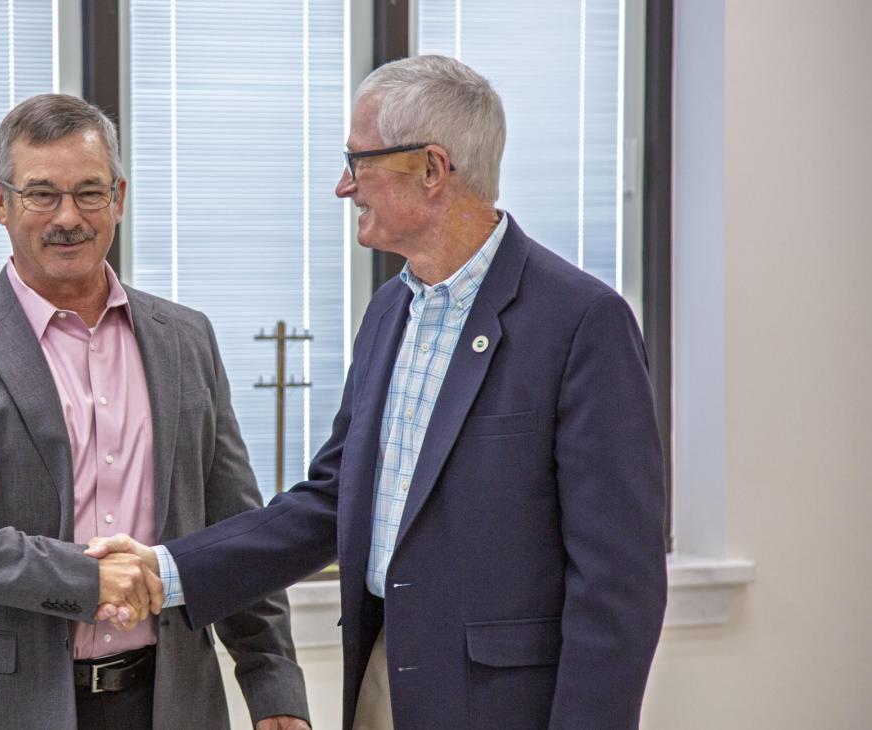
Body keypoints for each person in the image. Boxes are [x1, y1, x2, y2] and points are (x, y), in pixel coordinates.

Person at [88, 55, 668, 730]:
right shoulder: (391, 311)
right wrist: (171, 569)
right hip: (385, 678)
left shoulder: (579, 322)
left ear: (431, 168)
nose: (343, 186)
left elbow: (619, 584)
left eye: (359, 161)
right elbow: (334, 501)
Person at [0, 94, 309, 730]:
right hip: (8, 709)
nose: (68, 217)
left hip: (172, 701)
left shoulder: (187, 339)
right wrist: (81, 578)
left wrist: (275, 692)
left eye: (89, 192)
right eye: (41, 193)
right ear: (0, 202)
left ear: (118, 198)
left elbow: (234, 528)